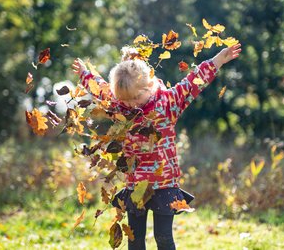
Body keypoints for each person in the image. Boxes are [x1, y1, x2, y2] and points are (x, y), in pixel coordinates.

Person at [72, 43, 242, 250]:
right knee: (135, 239)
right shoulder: (120, 106)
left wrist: (218, 60)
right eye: (126, 100)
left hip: (164, 184)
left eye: (137, 97)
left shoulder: (168, 103)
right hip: (135, 184)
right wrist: (84, 74)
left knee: (163, 238)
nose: (133, 104)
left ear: (150, 85)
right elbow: (100, 90)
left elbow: (192, 82)